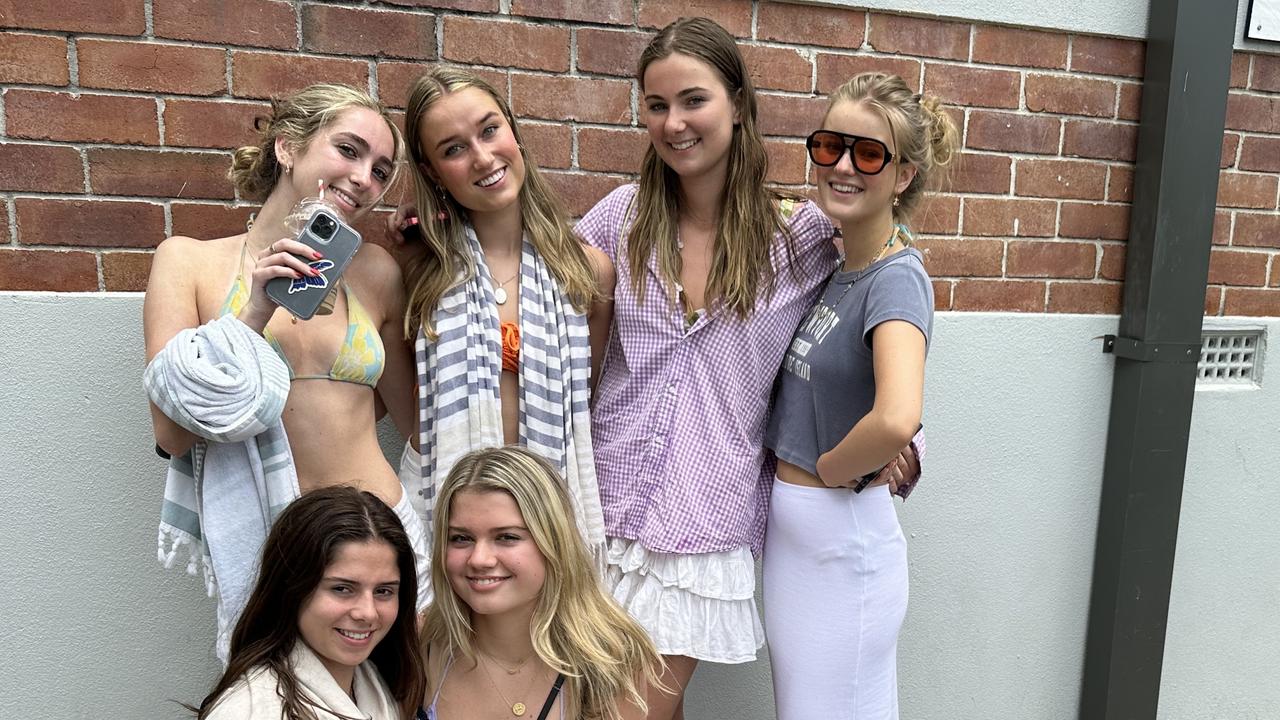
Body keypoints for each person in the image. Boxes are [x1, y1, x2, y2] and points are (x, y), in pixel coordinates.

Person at [573, 18, 924, 718]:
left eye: (693, 100)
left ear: (738, 104)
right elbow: (538, 275)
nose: (674, 123)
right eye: (656, 105)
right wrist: (431, 234)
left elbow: (877, 301)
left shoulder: (799, 239)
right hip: (598, 506)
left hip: (706, 521)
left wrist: (908, 438)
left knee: (631, 709)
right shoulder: (620, 217)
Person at [143, 83, 430, 660]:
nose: (363, 179)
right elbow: (172, 433)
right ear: (287, 148)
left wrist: (435, 258)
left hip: (384, 538)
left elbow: (418, 422)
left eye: (380, 171)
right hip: (276, 549)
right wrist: (254, 310)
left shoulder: (376, 272)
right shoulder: (190, 262)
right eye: (347, 151)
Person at [762, 72, 957, 719]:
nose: (843, 165)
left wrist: (828, 470)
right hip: (805, 551)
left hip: (841, 554)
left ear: (902, 175)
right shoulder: (844, 267)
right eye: (829, 146)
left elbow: (898, 415)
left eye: (868, 153)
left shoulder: (896, 280)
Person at [390, 67, 613, 562]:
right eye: (453, 149)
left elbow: (586, 396)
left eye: (490, 130)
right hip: (446, 517)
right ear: (431, 171)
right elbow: (409, 417)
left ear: (513, 130)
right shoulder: (417, 272)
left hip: (548, 515)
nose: (483, 157)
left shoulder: (586, 273)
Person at [419, 447, 665, 720]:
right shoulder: (424, 643)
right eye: (461, 538)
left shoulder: (609, 661)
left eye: (507, 537)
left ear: (555, 542)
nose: (479, 559)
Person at [189, 485, 426, 720]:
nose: (368, 612)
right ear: (292, 588)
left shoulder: (378, 685)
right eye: (342, 589)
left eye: (383, 591)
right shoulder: (250, 710)